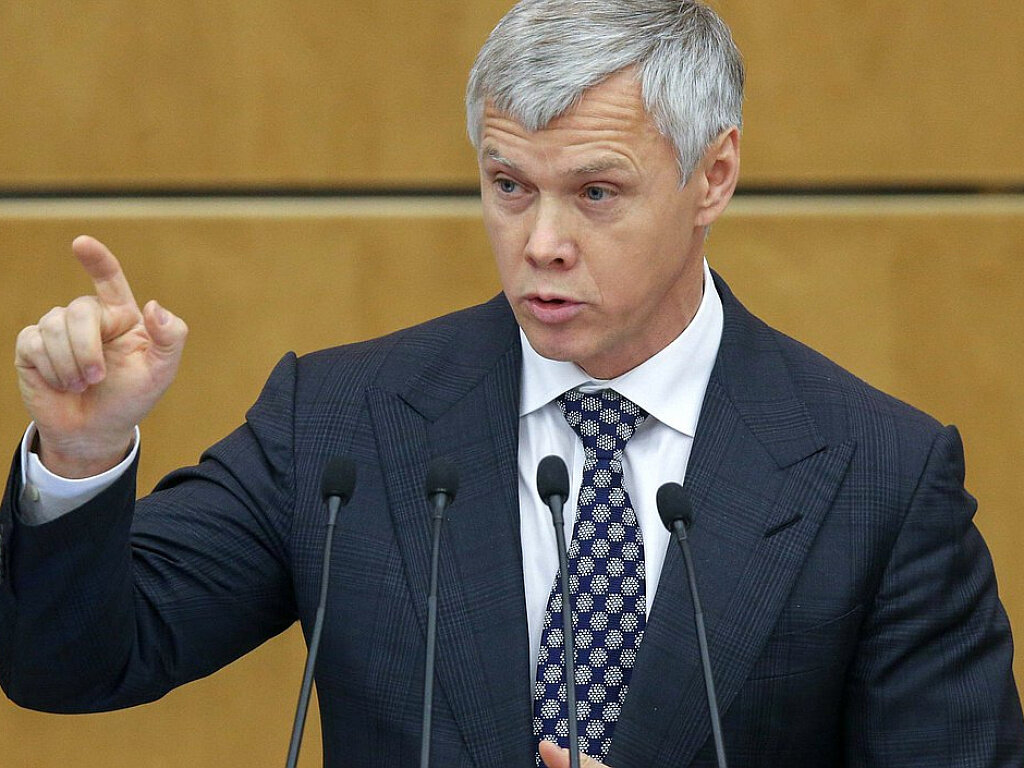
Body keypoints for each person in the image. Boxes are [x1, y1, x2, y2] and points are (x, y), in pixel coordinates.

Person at [2, 1, 1022, 766]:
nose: (541, 244)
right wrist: (82, 454)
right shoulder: (342, 425)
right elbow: (69, 666)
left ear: (712, 177)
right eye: (508, 187)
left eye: (595, 192)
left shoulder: (881, 475)